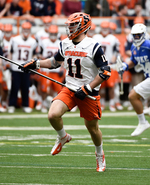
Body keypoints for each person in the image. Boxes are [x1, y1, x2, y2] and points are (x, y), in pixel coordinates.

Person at [19, 12, 107, 172]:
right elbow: (55, 63)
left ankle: (99, 154)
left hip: (88, 92)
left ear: (83, 27)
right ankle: (63, 136)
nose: (70, 28)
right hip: (70, 87)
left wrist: (88, 87)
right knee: (52, 114)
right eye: (69, 25)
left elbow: (105, 72)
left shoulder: (93, 46)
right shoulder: (65, 43)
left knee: (92, 128)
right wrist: (36, 63)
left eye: (73, 25)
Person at [8, 22, 38, 113]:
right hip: (15, 67)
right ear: (21, 29)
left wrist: (33, 66)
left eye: (27, 29)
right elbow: (11, 52)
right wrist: (9, 63)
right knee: (14, 87)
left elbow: (34, 55)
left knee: (25, 88)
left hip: (26, 67)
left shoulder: (33, 41)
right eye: (24, 29)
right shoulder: (15, 39)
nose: (26, 31)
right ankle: (11, 105)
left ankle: (25, 105)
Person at [93, 21, 121, 111]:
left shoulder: (113, 38)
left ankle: (112, 104)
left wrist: (113, 60)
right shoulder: (95, 37)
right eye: (103, 28)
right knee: (101, 87)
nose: (105, 30)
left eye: (106, 28)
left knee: (111, 86)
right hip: (99, 66)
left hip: (110, 65)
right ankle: (103, 104)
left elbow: (116, 51)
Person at [38, 25, 64, 112]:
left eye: (54, 33)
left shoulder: (60, 43)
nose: (53, 35)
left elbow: (64, 58)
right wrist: (45, 59)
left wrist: (62, 68)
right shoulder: (44, 42)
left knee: (57, 89)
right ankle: (43, 104)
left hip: (56, 69)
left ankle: (53, 104)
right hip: (46, 69)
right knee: (44, 88)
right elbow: (38, 54)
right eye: (51, 33)